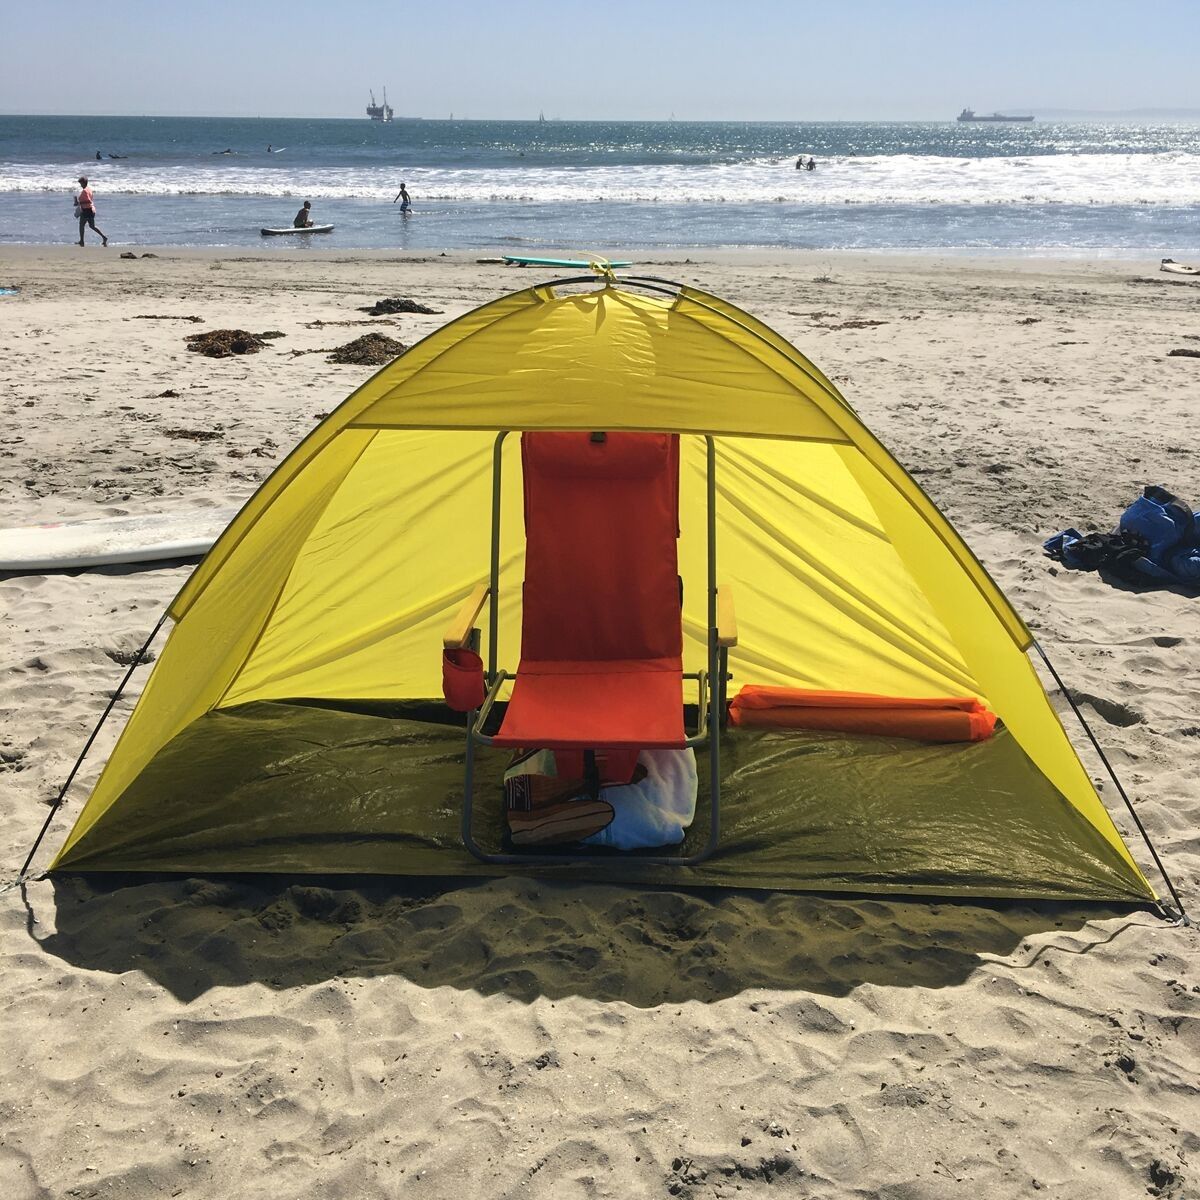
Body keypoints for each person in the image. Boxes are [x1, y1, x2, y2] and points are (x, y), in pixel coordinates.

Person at [74, 176, 107, 247]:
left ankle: (82, 241)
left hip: (86, 211)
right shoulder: (89, 189)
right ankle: (104, 237)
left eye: (81, 183)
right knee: (92, 226)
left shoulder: (85, 191)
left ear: (84, 183)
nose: (80, 185)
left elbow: (88, 201)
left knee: (81, 225)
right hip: (91, 210)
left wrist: (78, 203)